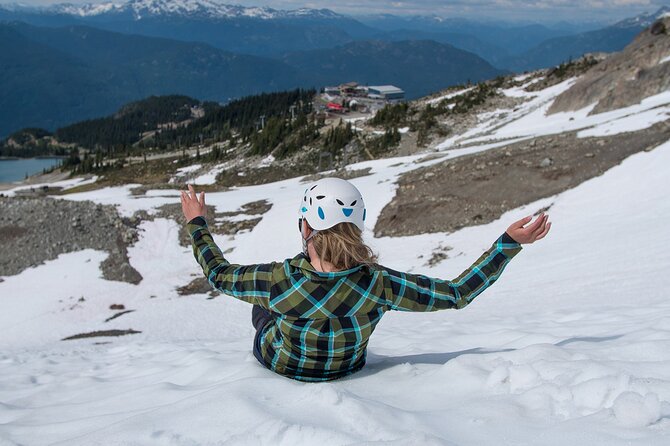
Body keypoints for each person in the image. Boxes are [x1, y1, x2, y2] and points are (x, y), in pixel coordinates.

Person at [180, 179, 550, 382]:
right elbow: (456, 294)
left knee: (263, 310)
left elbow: (218, 274)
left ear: (306, 226)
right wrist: (507, 245)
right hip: (348, 366)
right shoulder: (379, 284)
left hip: (280, 364)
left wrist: (197, 222)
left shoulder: (277, 280)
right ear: (356, 227)